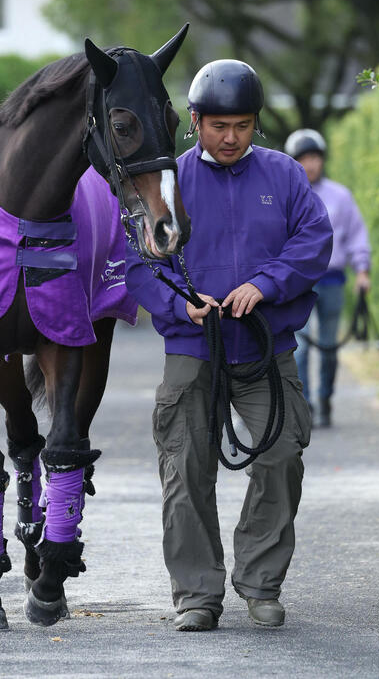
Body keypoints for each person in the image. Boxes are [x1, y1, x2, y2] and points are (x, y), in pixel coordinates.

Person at [124, 60, 333, 631]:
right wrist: (176, 305)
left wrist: (265, 284)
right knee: (185, 469)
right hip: (194, 349)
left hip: (266, 351)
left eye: (242, 125)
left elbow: (316, 240)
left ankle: (261, 584)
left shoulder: (285, 175)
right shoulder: (168, 181)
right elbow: (135, 262)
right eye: (219, 125)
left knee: (282, 455)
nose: (232, 136)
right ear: (195, 121)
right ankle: (197, 595)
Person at [284, 129, 371, 427]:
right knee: (303, 345)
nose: (310, 165)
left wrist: (362, 271)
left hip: (332, 278)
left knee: (330, 346)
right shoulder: (285, 196)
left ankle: (325, 398)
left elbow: (357, 235)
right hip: (299, 281)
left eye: (315, 158)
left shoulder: (340, 196)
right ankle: (304, 403)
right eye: (304, 159)